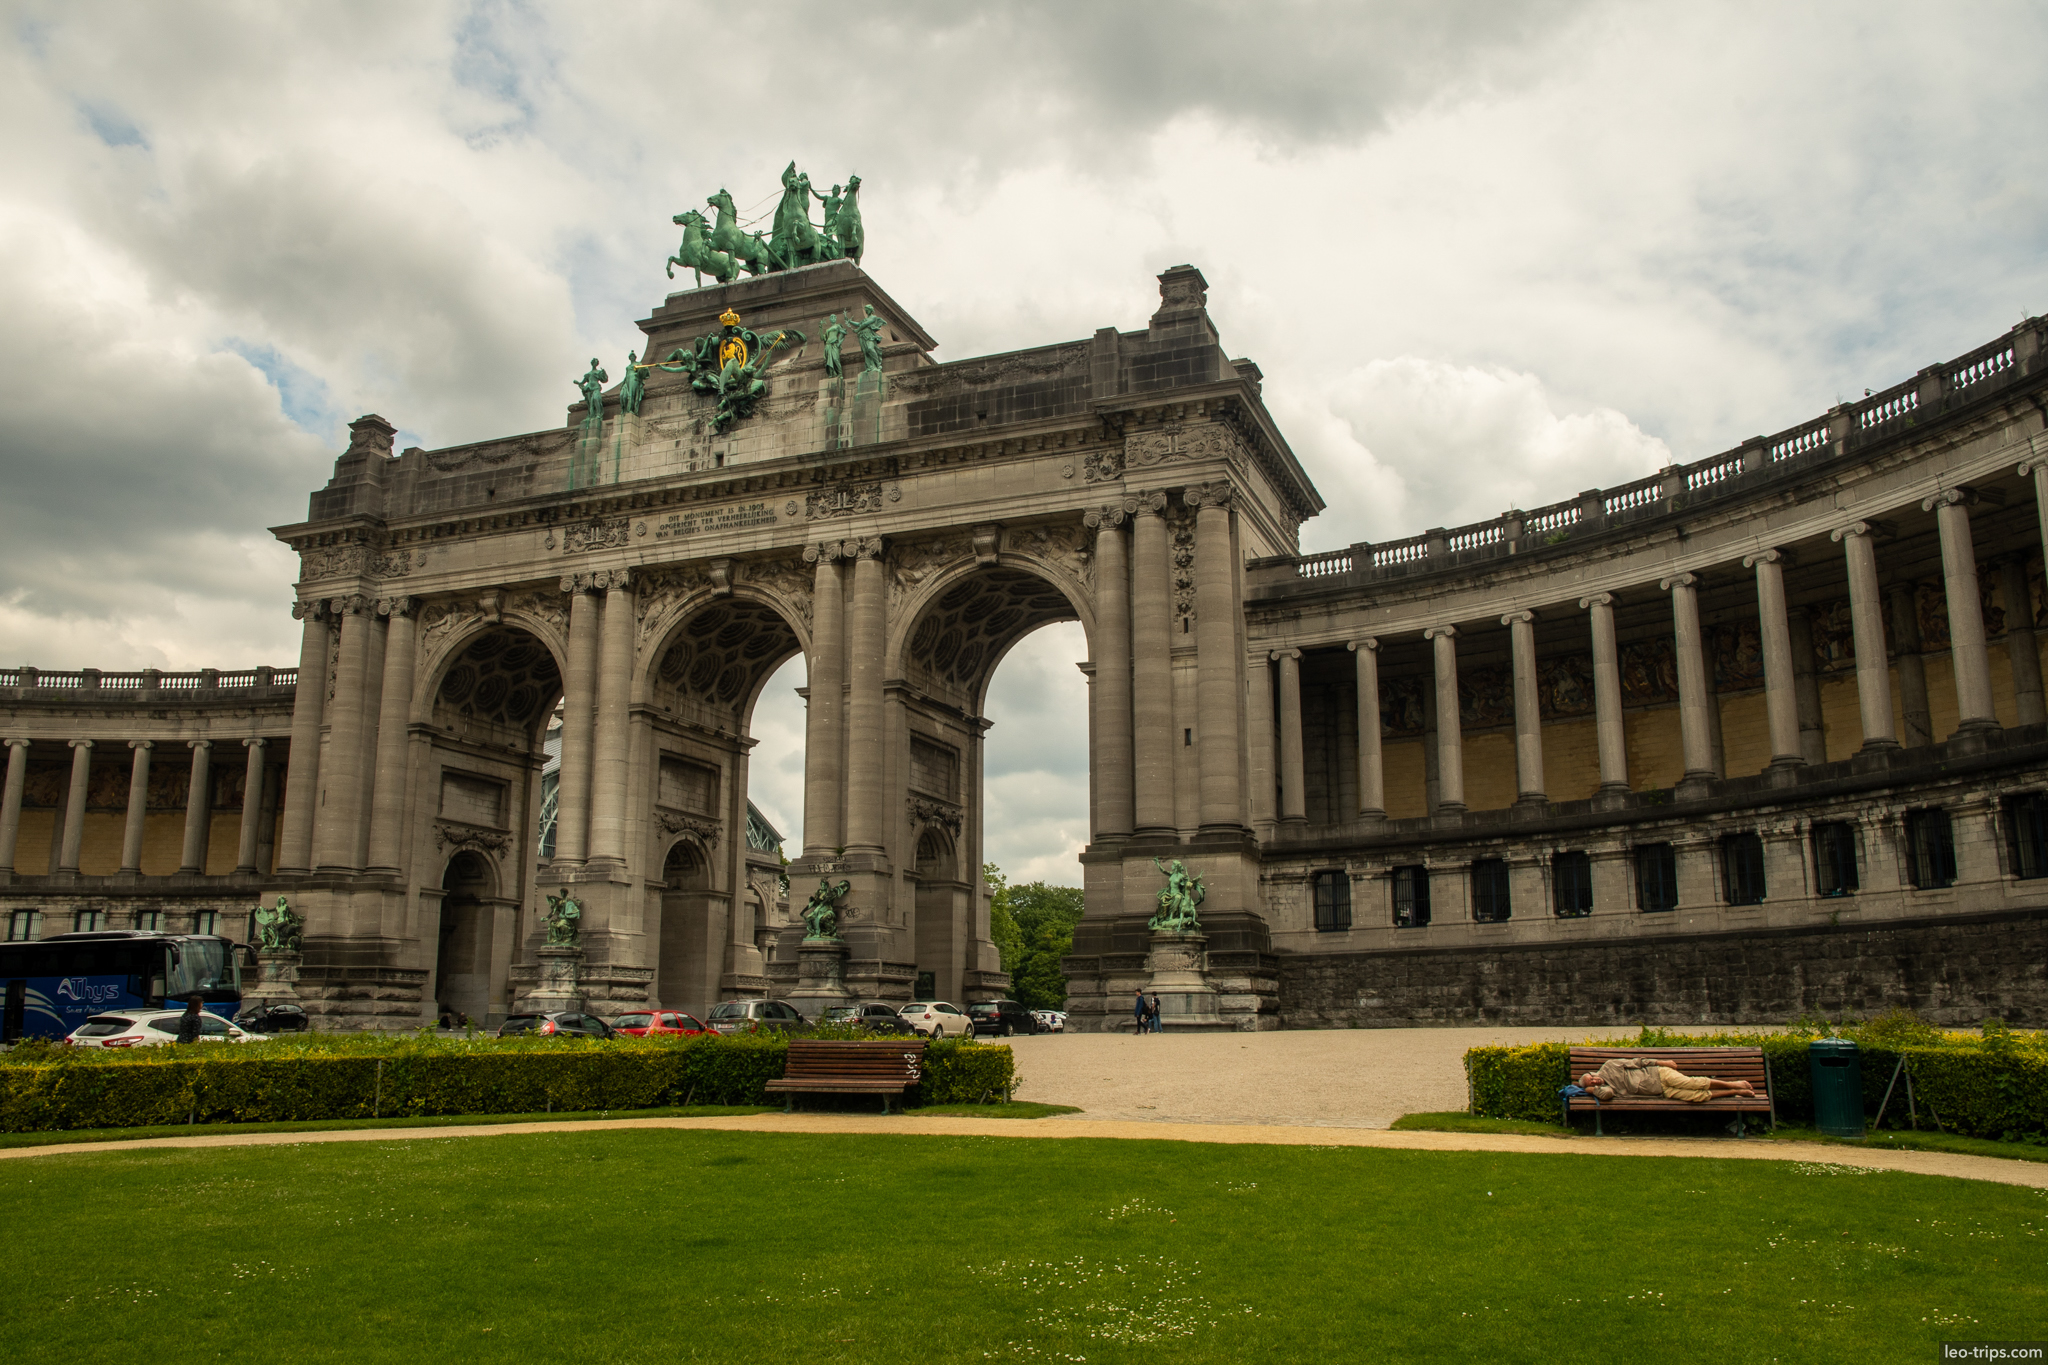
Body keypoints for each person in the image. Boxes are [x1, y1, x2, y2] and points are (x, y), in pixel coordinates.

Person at [1578, 1057, 1758, 1104]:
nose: (1594, 1081)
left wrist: (1663, 1062)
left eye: (1591, 1078)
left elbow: (1637, 1062)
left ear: (1592, 1072)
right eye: (1591, 1083)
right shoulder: (1607, 1088)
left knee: (1692, 1083)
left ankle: (1733, 1084)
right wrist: (1591, 1091)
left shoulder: (1610, 1066)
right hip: (1660, 1092)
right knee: (1696, 1097)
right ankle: (1734, 1092)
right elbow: (1607, 1096)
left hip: (1659, 1075)